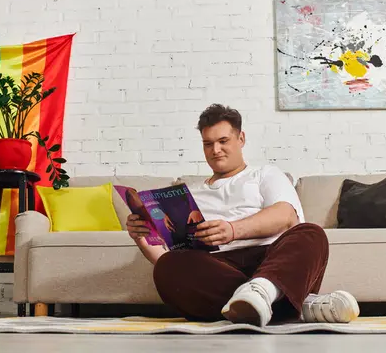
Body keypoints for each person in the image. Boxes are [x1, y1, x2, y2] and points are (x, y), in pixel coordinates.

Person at [126, 104, 360, 327]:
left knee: (311, 233)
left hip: (272, 259)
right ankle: (295, 304)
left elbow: (286, 215)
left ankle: (263, 291)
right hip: (216, 266)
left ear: (241, 139)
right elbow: (164, 256)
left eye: (223, 141)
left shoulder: (265, 174)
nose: (215, 150)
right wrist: (142, 236)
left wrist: (232, 230)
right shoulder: (189, 193)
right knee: (168, 266)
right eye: (208, 144)